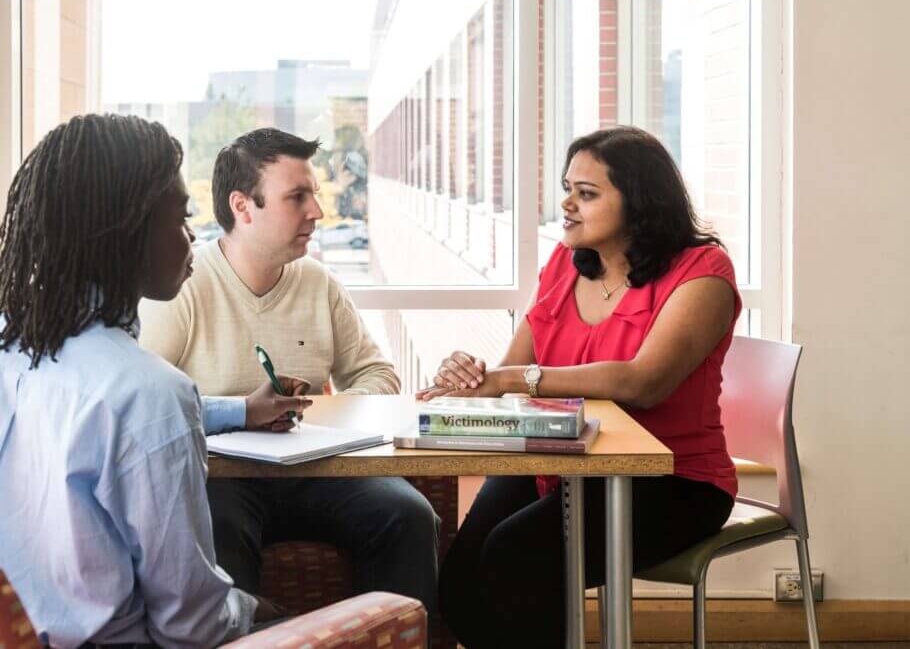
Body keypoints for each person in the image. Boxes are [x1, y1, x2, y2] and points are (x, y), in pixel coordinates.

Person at [422, 126, 741, 648]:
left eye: (586, 194)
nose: (567, 204)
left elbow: (644, 382)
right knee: (457, 583)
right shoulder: (563, 266)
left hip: (672, 479)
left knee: (516, 556)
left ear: (639, 203)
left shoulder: (702, 272)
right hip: (563, 462)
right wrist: (471, 377)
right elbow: (512, 373)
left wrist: (509, 379)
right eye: (568, 188)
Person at [0, 114, 283, 647]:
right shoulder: (148, 394)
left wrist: (242, 409)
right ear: (125, 232)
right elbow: (191, 629)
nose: (192, 234)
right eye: (180, 216)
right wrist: (251, 609)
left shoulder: (15, 345)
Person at [138, 128, 440, 615]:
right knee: (213, 524)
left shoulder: (319, 282)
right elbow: (144, 400)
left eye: (314, 196)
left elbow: (377, 375)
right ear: (243, 206)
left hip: (317, 467)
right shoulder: (185, 287)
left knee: (408, 514)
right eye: (297, 197)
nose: (317, 212)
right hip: (223, 476)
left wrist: (324, 410)